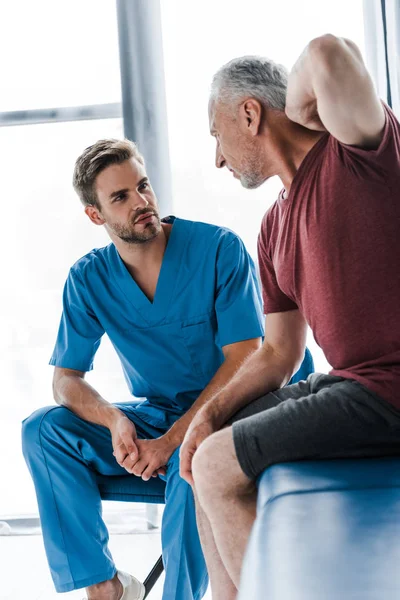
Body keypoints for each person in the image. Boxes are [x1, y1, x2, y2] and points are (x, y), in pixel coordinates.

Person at [21, 139, 311, 600]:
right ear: (96, 215)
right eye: (120, 197)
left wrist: (172, 440)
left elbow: (246, 358)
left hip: (242, 410)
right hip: (162, 416)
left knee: (191, 455)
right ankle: (106, 587)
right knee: (43, 431)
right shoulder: (89, 278)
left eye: (143, 187)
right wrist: (116, 422)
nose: (141, 202)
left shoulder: (219, 250)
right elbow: (65, 380)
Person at [180, 34, 400, 600]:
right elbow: (278, 353)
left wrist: (303, 111)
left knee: (216, 469)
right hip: (354, 387)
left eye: (217, 135)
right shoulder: (272, 229)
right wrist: (209, 414)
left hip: (390, 389)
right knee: (208, 448)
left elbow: (328, 53)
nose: (217, 158)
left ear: (250, 113)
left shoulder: (357, 152)